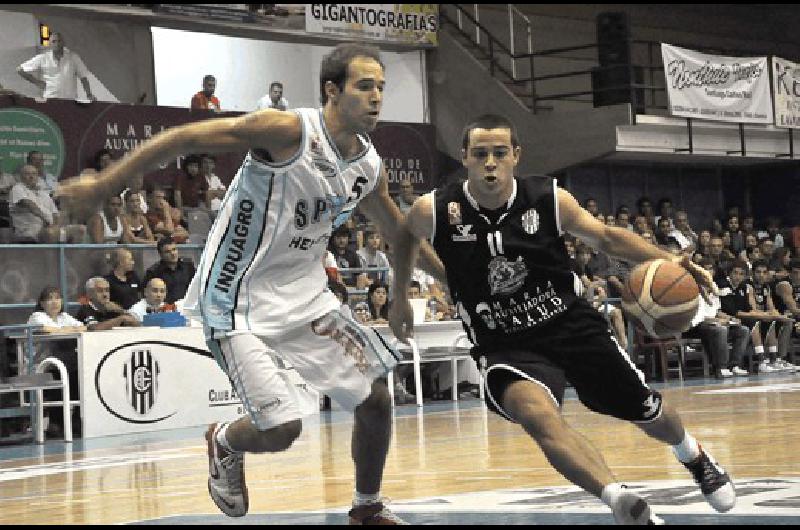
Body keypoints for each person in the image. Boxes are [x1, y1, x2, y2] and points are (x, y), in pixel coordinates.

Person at [56, 42, 444, 524]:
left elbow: (398, 232)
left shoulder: (368, 165)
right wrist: (105, 183)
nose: (376, 97)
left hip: (306, 298)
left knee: (376, 399)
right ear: (332, 90)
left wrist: (453, 280)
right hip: (235, 296)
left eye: (381, 87)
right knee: (282, 429)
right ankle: (223, 440)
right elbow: (186, 138)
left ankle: (366, 509)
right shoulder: (287, 131)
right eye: (364, 86)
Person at [389, 114, 736, 525]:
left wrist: (671, 260)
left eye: (500, 153)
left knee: (649, 414)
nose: (490, 163)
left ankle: (692, 455)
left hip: (570, 325)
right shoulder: (437, 209)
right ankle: (618, 499)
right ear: (464, 157)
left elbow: (606, 237)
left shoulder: (549, 199)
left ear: (516, 156)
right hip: (504, 342)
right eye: (480, 154)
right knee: (538, 417)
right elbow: (404, 237)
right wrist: (401, 296)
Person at [17, 32, 96, 101]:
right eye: (54, 41)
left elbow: (83, 77)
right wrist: (37, 82)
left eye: (59, 41)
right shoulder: (43, 58)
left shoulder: (73, 57)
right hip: (50, 99)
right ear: (49, 44)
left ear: (64, 43)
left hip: (69, 100)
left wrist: (89, 94)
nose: (57, 44)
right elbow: (20, 69)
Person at [143, 237, 197, 304]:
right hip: (164, 309)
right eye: (168, 252)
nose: (173, 253)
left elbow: (195, 287)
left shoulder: (188, 266)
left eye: (174, 249)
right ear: (161, 255)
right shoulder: (153, 272)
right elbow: (147, 295)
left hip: (187, 306)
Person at [76, 277, 141, 331]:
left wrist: (121, 310)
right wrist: (120, 319)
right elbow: (94, 328)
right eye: (100, 291)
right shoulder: (85, 309)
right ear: (89, 294)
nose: (105, 295)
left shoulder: (114, 308)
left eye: (107, 290)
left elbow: (138, 325)